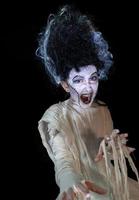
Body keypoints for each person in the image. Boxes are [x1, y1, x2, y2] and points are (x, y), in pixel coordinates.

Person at [36, 5, 139, 200]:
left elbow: (101, 155)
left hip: (113, 183)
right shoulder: (57, 117)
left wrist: (113, 149)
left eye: (92, 78)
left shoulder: (102, 110)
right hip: (86, 187)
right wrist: (69, 183)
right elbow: (63, 162)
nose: (88, 87)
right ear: (66, 85)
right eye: (78, 80)